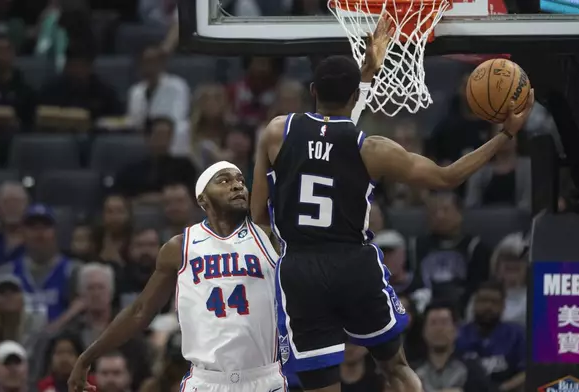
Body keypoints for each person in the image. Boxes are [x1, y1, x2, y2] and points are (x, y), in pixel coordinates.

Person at [250, 17, 535, 392]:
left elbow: (257, 216)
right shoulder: (372, 148)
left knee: (320, 384)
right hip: (354, 264)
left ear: (313, 89)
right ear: (354, 96)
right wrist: (505, 135)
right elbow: (447, 177)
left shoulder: (276, 132)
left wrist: (365, 76)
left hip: (300, 269)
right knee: (396, 368)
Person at [68, 161, 284, 392]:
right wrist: (87, 357)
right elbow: (140, 311)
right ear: (202, 199)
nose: (237, 186)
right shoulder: (180, 247)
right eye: (224, 180)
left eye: (241, 180)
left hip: (264, 376)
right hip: (206, 382)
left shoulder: (269, 236)